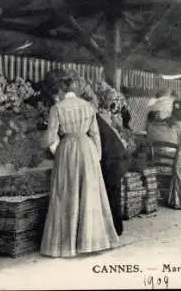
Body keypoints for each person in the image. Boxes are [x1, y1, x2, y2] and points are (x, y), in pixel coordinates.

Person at [40, 69, 118, 258]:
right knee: (88, 193)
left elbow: (50, 137)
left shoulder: (57, 108)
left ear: (59, 90)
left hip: (67, 148)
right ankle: (91, 241)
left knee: (66, 191)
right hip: (87, 148)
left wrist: (55, 150)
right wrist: (96, 156)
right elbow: (95, 134)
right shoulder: (88, 106)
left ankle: (69, 242)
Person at [96, 109, 133, 236]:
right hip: (115, 156)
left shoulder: (91, 120)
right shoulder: (97, 119)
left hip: (113, 159)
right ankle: (116, 228)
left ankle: (115, 229)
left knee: (111, 193)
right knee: (113, 194)